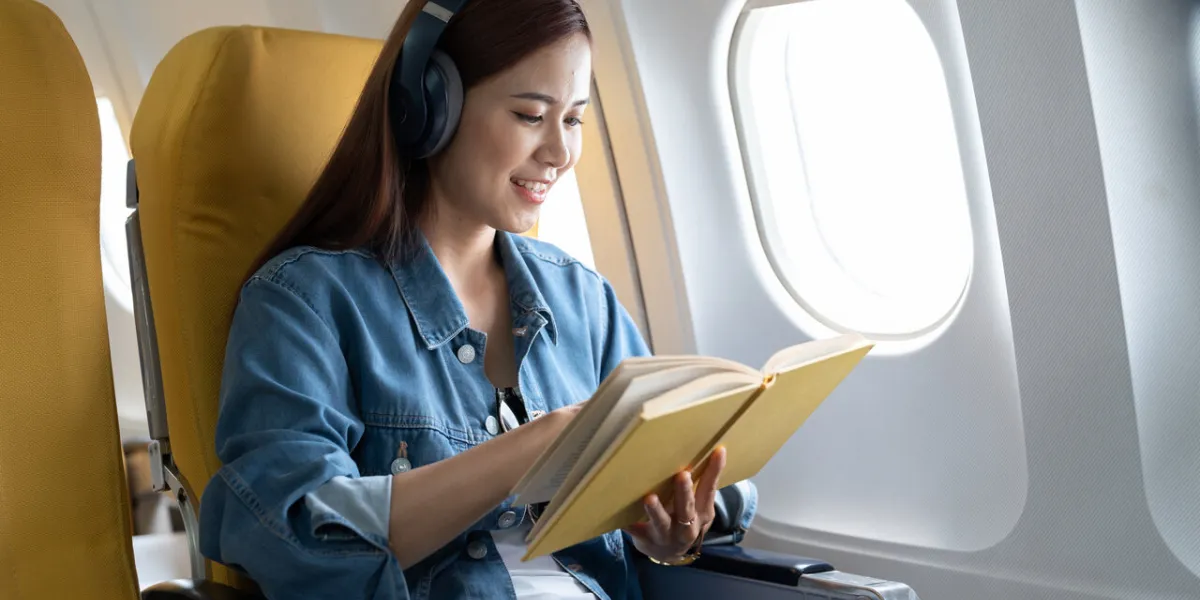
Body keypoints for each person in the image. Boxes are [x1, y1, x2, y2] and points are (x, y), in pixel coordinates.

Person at [197, 1, 754, 598]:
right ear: (429, 107)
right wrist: (532, 449)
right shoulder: (304, 301)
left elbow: (684, 475)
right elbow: (291, 532)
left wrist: (671, 536)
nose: (560, 154)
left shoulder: (581, 298)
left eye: (573, 120)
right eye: (530, 114)